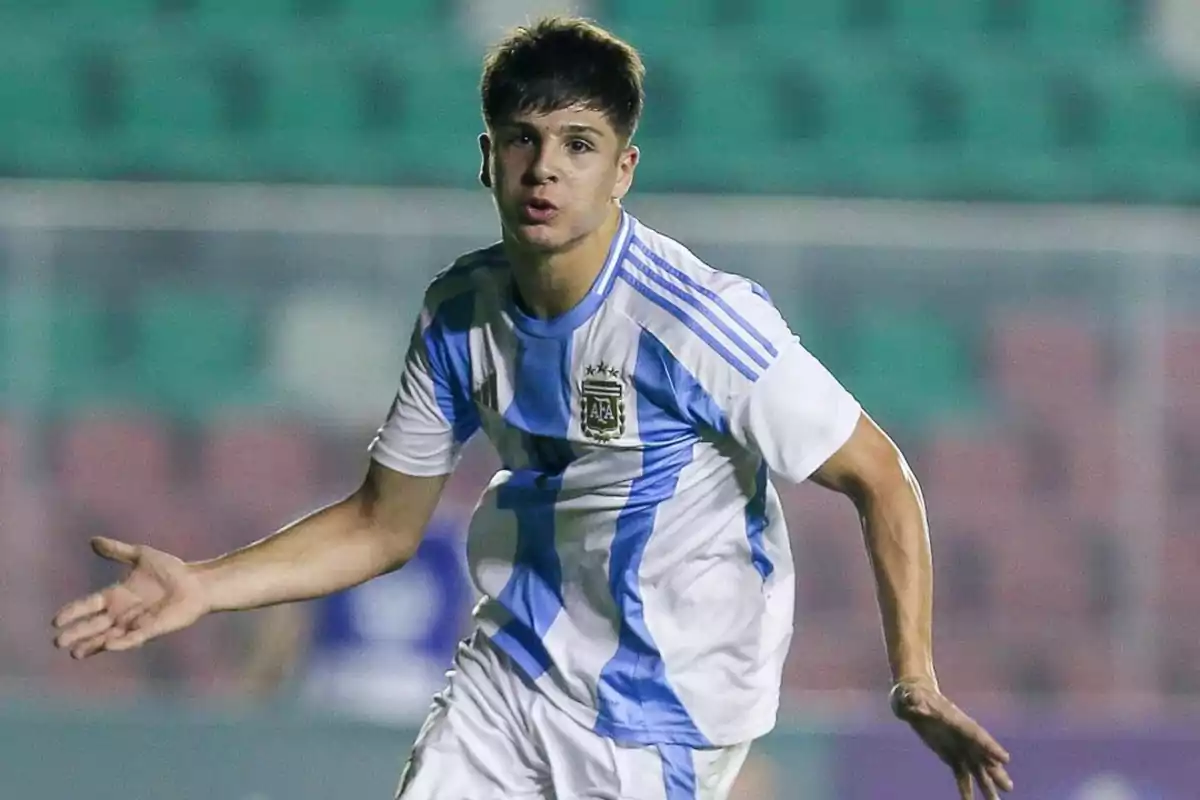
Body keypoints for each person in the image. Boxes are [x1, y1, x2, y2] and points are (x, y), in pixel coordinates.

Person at [52, 17, 1014, 800]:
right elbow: (382, 525)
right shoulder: (459, 311)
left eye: (579, 145)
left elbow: (879, 476)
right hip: (512, 668)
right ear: (489, 158)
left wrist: (916, 679)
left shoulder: (699, 324)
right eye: (525, 139)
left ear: (623, 170)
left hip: (667, 710)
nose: (546, 167)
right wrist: (206, 587)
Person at [236, 515, 472, 723]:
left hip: (357, 700)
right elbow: (279, 643)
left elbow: (277, 649)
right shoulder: (459, 546)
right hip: (390, 703)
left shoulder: (457, 546)